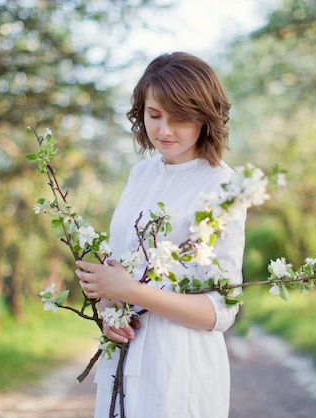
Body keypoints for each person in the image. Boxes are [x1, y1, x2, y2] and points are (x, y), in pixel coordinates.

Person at [75, 51, 246, 418]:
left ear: (206, 116)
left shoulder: (221, 186)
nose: (164, 130)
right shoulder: (141, 174)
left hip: (180, 367)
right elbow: (124, 267)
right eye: (154, 115)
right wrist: (110, 308)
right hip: (125, 359)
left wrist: (131, 292)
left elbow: (221, 310)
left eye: (180, 118)